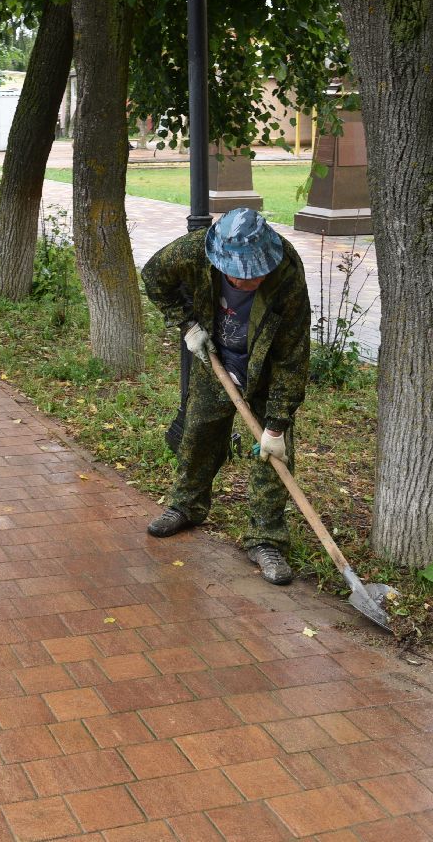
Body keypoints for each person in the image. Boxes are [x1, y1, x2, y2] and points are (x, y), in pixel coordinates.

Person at [140, 207, 311, 585]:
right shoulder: (194, 251)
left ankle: (266, 539)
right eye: (235, 273)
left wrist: (277, 425)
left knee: (272, 456)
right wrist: (187, 324)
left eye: (253, 273)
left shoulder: (286, 272)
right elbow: (153, 277)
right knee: (199, 435)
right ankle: (186, 506)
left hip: (266, 370)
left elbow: (293, 353)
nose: (244, 281)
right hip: (215, 357)